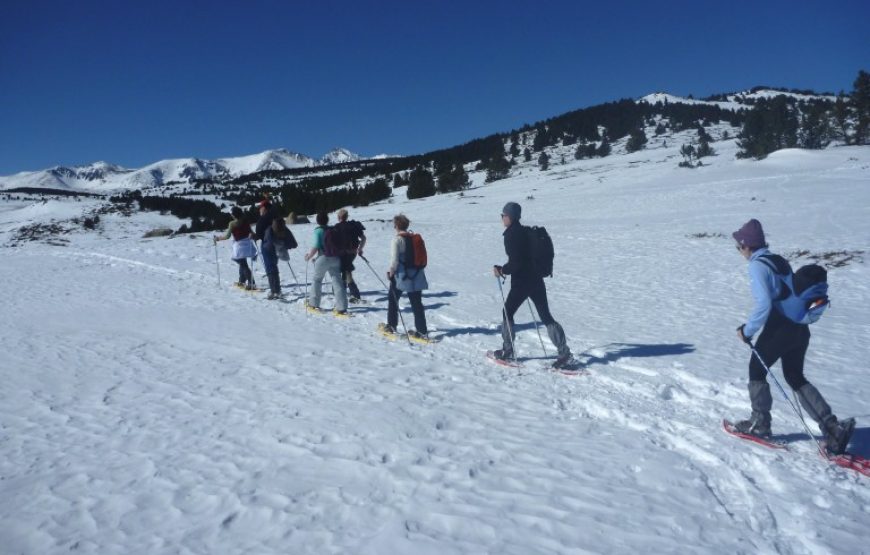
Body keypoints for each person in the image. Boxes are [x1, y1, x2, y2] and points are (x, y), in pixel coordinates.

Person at [732, 218, 854, 454]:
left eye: (739, 246)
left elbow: (764, 302)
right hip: (799, 327)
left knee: (756, 371)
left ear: (748, 245)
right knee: (794, 375)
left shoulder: (757, 266)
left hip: (780, 327)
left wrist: (747, 331)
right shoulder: (777, 259)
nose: (739, 251)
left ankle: (760, 425)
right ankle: (832, 428)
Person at [492, 202, 572, 367]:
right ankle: (564, 353)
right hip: (536, 279)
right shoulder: (526, 231)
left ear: (510, 217)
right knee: (546, 316)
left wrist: (502, 270)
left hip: (522, 281)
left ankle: (507, 350)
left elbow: (516, 263)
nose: (502, 218)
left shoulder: (511, 235)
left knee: (507, 313)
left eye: (503, 215)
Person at [382, 214, 429, 339]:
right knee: (417, 303)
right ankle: (422, 331)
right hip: (417, 274)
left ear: (396, 225)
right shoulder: (414, 238)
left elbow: (394, 261)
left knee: (393, 300)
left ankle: (391, 326)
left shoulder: (397, 240)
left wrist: (390, 273)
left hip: (402, 276)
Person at [304, 212, 348, 314]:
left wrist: (309, 256)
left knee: (317, 280)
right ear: (327, 220)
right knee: (337, 281)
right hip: (336, 258)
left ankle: (313, 304)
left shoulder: (318, 231)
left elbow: (315, 246)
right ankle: (342, 307)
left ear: (317, 221)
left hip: (323, 257)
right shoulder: (332, 229)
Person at [213, 206, 256, 289]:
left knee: (243, 264)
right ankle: (242, 280)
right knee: (243, 262)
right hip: (247, 244)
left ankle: (251, 283)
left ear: (234, 215)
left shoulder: (232, 224)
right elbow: (251, 232)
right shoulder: (245, 222)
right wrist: (254, 236)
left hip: (239, 246)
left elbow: (227, 236)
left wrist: (218, 238)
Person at [334, 208, 367, 302]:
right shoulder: (354, 226)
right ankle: (344, 291)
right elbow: (363, 238)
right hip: (353, 252)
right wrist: (360, 249)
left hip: (342, 253)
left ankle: (354, 294)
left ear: (339, 217)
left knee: (346, 272)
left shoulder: (336, 227)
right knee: (345, 271)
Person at [261, 218, 296, 300]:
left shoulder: (271, 230)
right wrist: (283, 245)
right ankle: (276, 290)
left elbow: (293, 244)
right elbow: (293, 243)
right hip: (270, 249)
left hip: (269, 249)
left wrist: (282, 245)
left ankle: (275, 291)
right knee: (273, 268)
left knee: (271, 269)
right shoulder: (281, 230)